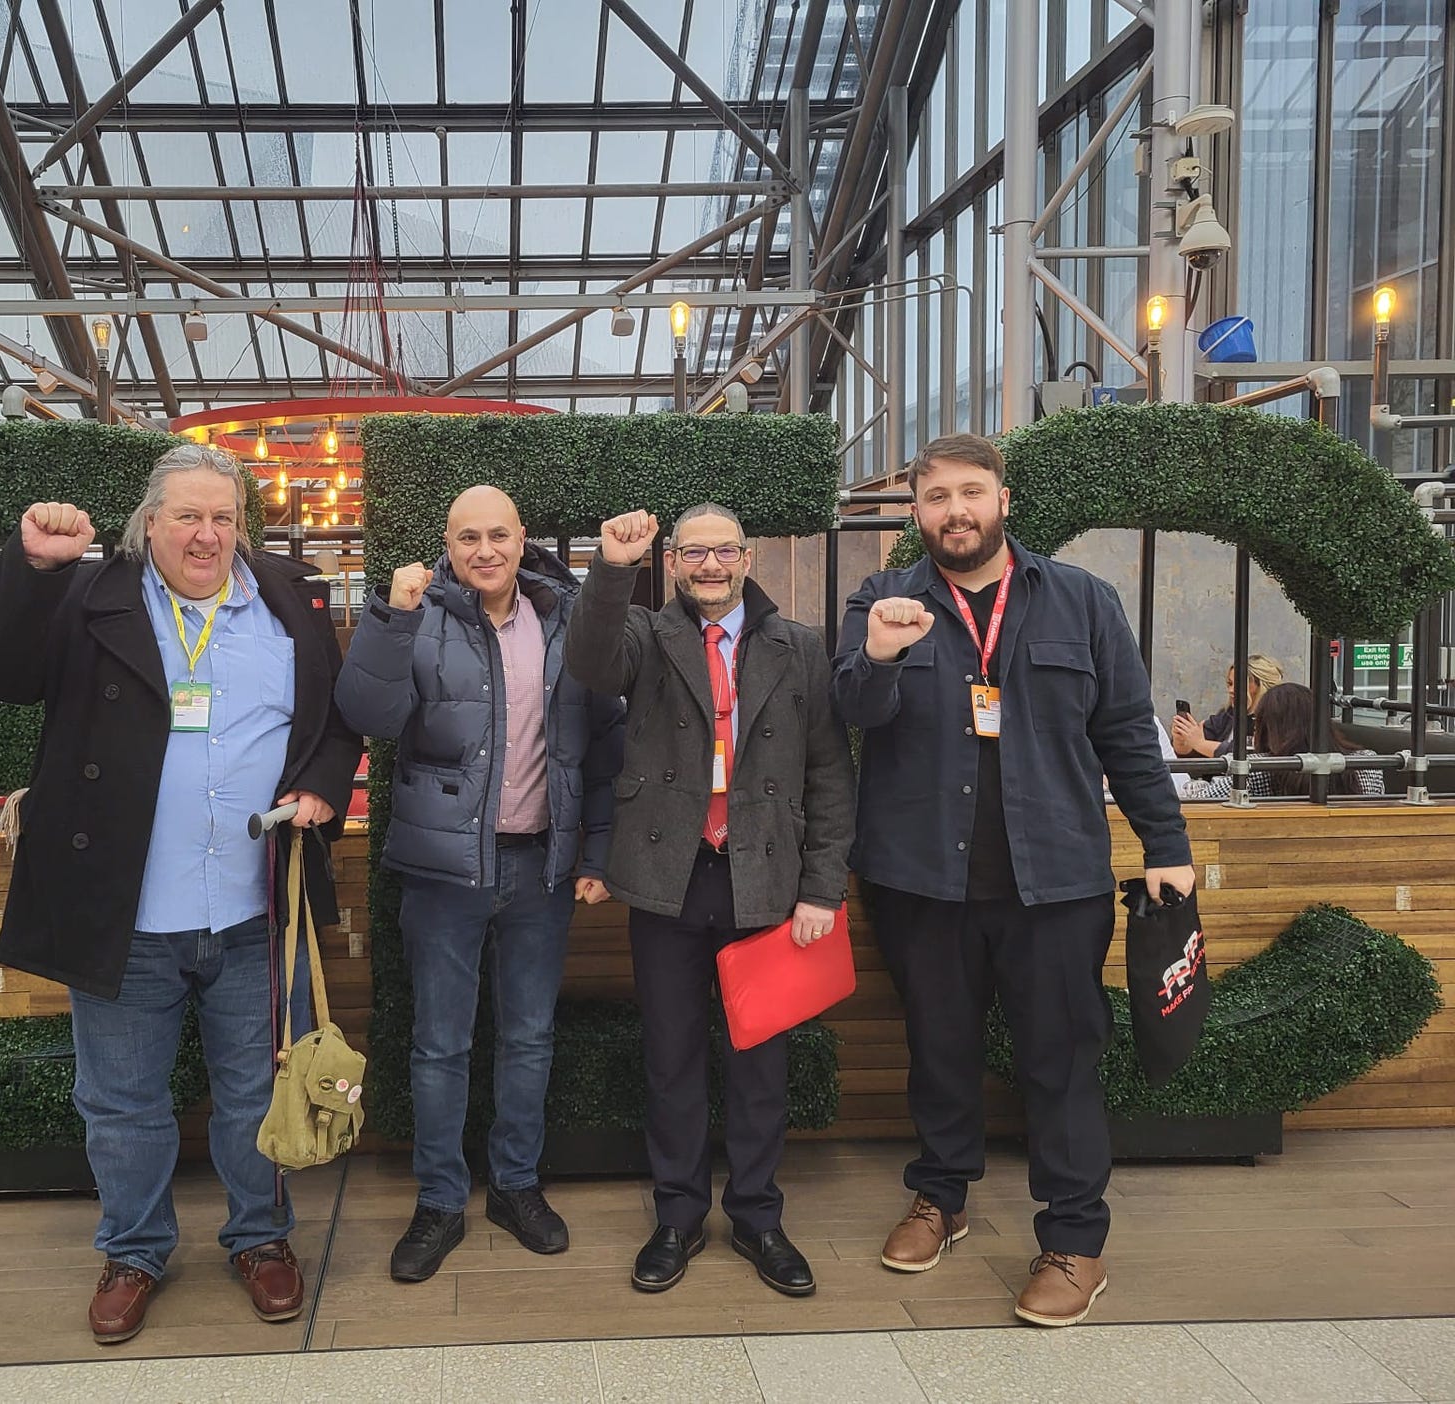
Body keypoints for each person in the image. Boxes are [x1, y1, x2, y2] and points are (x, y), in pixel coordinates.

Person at [0, 443, 361, 1344]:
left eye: (223, 517)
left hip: (258, 905)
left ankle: (261, 1240)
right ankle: (134, 1252)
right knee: (122, 1104)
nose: (207, 534)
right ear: (150, 522)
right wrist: (29, 568)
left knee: (260, 1093)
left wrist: (326, 786)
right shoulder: (86, 594)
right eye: (188, 515)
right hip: (127, 911)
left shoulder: (289, 597)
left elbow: (336, 718)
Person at [832, 432, 1194, 1329]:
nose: (955, 511)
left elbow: (1124, 733)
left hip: (1057, 883)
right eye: (936, 497)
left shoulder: (1081, 601)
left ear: (1003, 500)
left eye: (971, 492)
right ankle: (941, 1198)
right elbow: (846, 711)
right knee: (940, 1051)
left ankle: (1075, 1241)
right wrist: (876, 655)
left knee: (1061, 1062)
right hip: (920, 881)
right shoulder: (882, 599)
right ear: (915, 513)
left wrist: (1166, 842)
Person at [565, 503, 856, 1298]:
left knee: (760, 1062)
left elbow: (829, 772)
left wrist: (822, 887)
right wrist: (611, 568)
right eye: (694, 553)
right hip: (670, 878)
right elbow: (589, 660)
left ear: (748, 555)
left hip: (763, 879)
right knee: (672, 1056)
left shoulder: (797, 647)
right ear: (675, 563)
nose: (711, 565)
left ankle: (758, 1215)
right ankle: (680, 1216)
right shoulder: (646, 636)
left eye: (724, 551)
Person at [335, 485, 623, 1282]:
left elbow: (601, 745)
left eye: (498, 534)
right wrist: (389, 618)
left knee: (530, 1037)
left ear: (522, 538)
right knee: (438, 1044)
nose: (485, 550)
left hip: (541, 866)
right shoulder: (420, 612)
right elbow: (368, 711)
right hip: (444, 871)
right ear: (449, 543)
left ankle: (517, 1187)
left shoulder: (565, 617)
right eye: (469, 537)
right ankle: (438, 1199)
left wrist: (595, 853)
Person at [1182, 682, 1386, 799]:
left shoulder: (1260, 771)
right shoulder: (1368, 763)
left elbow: (1200, 800)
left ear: (1269, 728)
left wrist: (1194, 785)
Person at [1171, 654, 1282, 758]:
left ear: (1260, 686)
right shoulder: (1228, 715)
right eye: (1229, 684)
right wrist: (1182, 742)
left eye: (1239, 684)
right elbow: (1197, 749)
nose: (1231, 690)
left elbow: (1246, 754)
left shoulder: (1273, 721)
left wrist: (1200, 743)